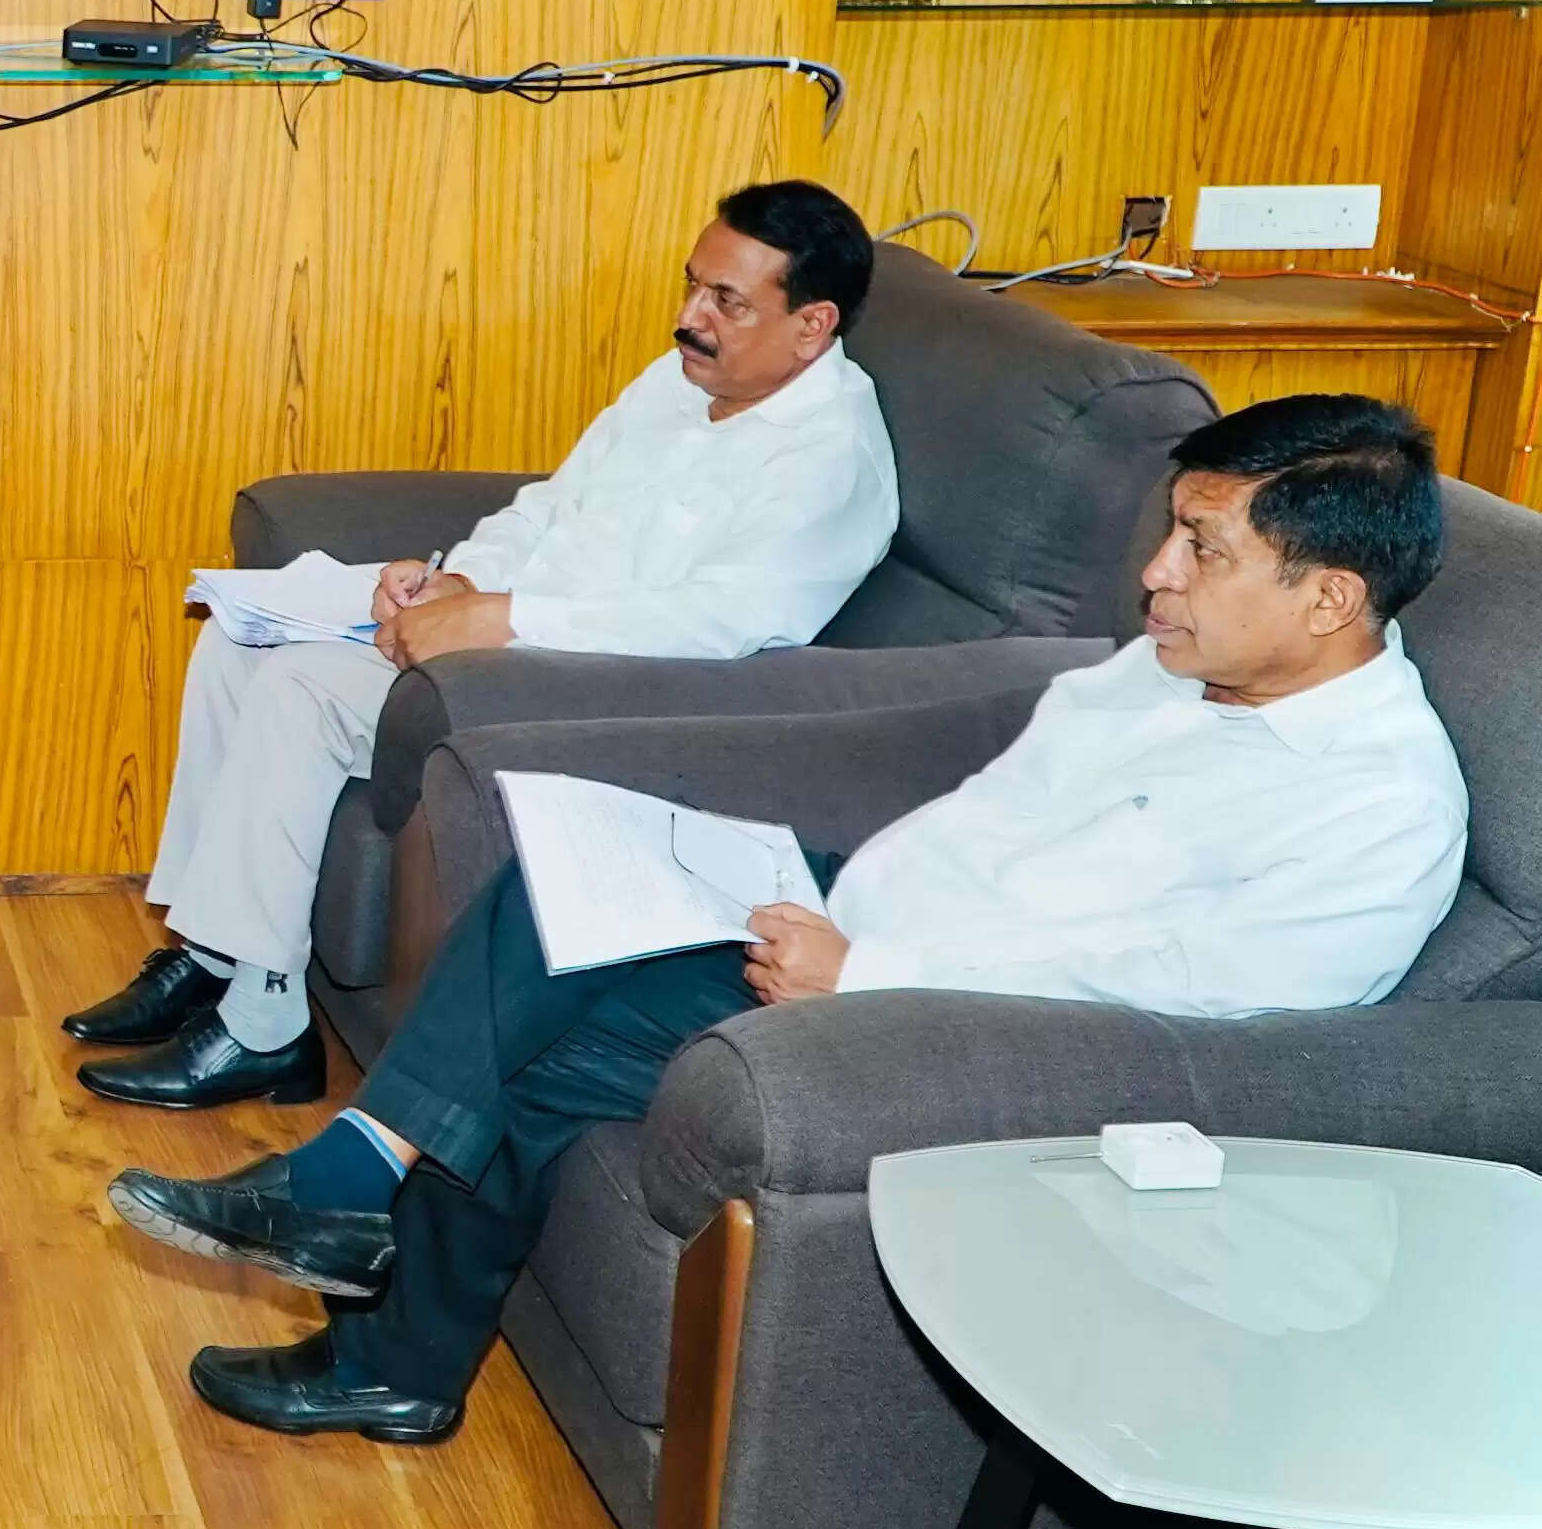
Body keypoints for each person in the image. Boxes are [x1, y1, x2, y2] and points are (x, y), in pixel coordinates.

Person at [110, 395, 1469, 1444]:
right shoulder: (1174, 668)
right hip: (851, 921)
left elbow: (1186, 1012)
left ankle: (374, 1307)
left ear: (1327, 597)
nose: (1156, 574)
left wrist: (867, 971)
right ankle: (364, 1235)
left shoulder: (1372, 806)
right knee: (558, 890)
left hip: (938, 1032)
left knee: (534, 1043)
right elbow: (990, 809)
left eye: (1202, 548)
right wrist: (814, 894)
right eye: (1168, 532)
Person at [71, 179, 902, 1112]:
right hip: (514, 635)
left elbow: (715, 627)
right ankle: (219, 956)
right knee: (238, 641)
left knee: (299, 687)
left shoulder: (829, 460)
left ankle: (265, 1027)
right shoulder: (685, 379)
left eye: (726, 301)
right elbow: (551, 504)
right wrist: (462, 580)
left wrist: (504, 620)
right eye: (693, 284)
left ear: (812, 325)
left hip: (601, 696)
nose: (688, 318)